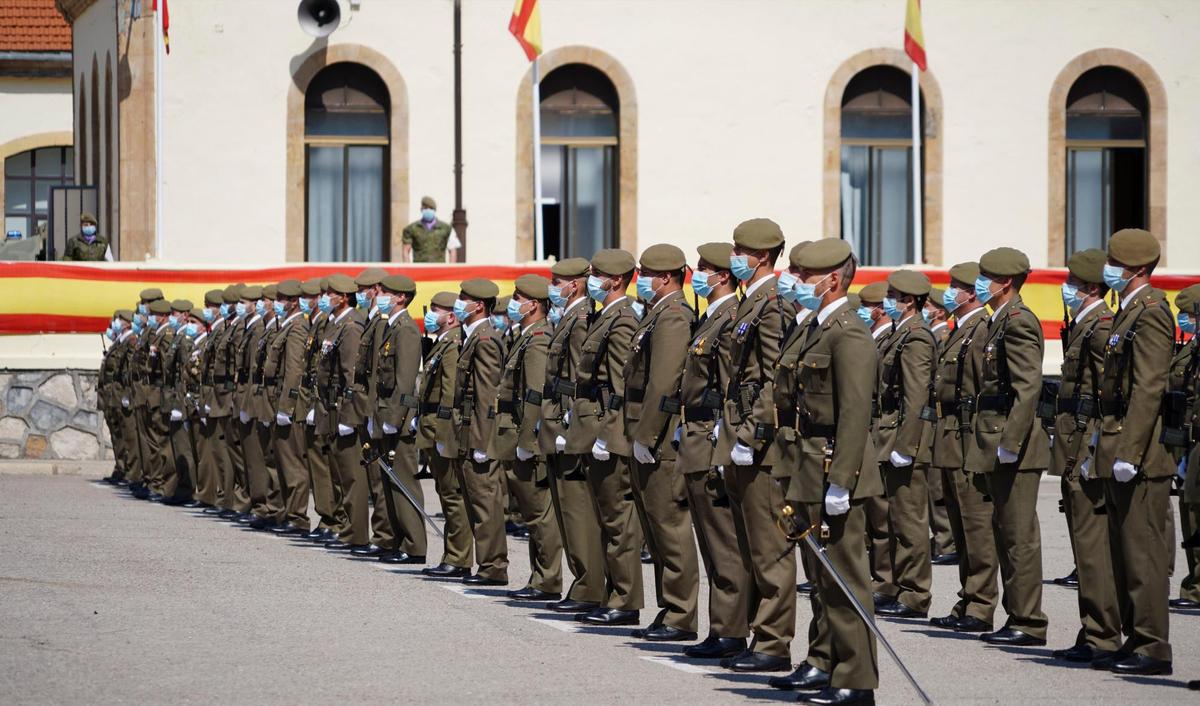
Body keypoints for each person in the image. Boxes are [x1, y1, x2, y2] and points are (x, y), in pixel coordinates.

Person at [791, 237, 881, 706]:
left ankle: (858, 680)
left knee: (846, 579)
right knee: (824, 579)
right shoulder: (816, 327)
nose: (797, 282)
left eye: (805, 276)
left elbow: (854, 414)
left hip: (833, 467)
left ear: (831, 280)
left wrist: (842, 480)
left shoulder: (849, 333)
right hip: (810, 464)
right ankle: (830, 665)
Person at [1092, 228, 1174, 675]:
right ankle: (1133, 636)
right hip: (1118, 441)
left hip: (1139, 451)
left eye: (1116, 264)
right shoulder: (1128, 311)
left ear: (1138, 269)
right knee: (1122, 552)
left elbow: (1148, 387)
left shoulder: (1152, 313)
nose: (1111, 270)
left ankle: (1154, 647)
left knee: (1142, 553)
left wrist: (1130, 450)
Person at [713, 218, 792, 673]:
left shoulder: (773, 306)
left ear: (761, 256)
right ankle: (754, 636)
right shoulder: (751, 304)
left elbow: (773, 381)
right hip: (737, 437)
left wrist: (750, 434)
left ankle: (774, 645)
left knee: (769, 552)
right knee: (747, 548)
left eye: (741, 250)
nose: (734, 258)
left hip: (759, 445)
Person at [966, 247, 1050, 647]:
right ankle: (1017, 615)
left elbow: (1027, 388)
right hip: (997, 440)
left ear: (1006, 283)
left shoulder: (1018, 323)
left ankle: (1029, 621)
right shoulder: (998, 321)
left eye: (987, 277)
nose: (980, 283)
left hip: (1014, 445)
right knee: (1004, 531)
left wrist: (1010, 443)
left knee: (1018, 536)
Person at [677, 242, 751, 660]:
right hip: (695, 434)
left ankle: (731, 629)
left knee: (724, 544)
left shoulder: (728, 319)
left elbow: (728, 386)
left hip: (710, 437)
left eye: (704, 268)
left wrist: (726, 438)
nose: (697, 274)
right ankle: (721, 626)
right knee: (710, 541)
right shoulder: (710, 317)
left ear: (723, 275)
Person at [1047, 249, 1120, 664]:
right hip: (1074, 442)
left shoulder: (1099, 328)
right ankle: (1093, 628)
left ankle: (1102, 634)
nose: (1066, 289)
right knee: (1084, 545)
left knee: (1092, 548)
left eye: (1072, 283)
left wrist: (1092, 449)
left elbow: (1106, 396)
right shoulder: (1083, 324)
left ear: (1091, 287)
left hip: (1087, 444)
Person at [624, 244, 700, 641]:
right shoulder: (658, 314)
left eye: (647, 274)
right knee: (655, 528)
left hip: (660, 439)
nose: (641, 281)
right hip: (646, 433)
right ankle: (669, 608)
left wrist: (647, 436)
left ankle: (681, 614)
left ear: (666, 277)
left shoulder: (672, 317)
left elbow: (662, 383)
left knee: (670, 528)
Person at [569, 249, 644, 626]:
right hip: (593, 426)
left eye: (596, 274)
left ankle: (625, 600)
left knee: (618, 522)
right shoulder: (606, 316)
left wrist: (609, 434)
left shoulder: (623, 319)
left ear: (615, 280)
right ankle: (610, 593)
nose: (590, 279)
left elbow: (619, 386)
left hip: (607, 431)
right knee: (604, 518)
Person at [928, 263, 999, 635]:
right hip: (951, 437)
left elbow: (979, 390)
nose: (949, 291)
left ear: (972, 293)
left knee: (975, 526)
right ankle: (968, 598)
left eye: (957, 286)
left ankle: (982, 604)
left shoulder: (980, 330)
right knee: (959, 524)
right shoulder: (961, 331)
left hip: (968, 437)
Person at [537, 258, 606, 613]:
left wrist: (569, 424)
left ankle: (588, 587)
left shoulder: (580, 321)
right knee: (567, 512)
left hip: (570, 426)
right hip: (557, 424)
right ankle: (582, 584)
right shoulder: (568, 318)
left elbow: (581, 380)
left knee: (578, 513)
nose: (553, 287)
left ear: (574, 285)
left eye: (557, 281)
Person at [489, 274, 564, 601]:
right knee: (533, 513)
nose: (514, 303)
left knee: (538, 513)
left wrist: (526, 441)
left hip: (527, 438)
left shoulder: (538, 339)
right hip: (514, 433)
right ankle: (540, 577)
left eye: (519, 298)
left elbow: (534, 394)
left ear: (534, 304)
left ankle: (547, 580)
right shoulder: (525, 336)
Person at [873, 270, 936, 620]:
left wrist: (906, 445)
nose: (887, 302)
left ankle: (915, 594)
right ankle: (897, 586)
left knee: (909, 522)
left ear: (909, 300)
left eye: (893, 296)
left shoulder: (916, 338)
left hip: (903, 439)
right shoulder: (901, 333)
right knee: (894, 520)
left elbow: (916, 396)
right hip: (889, 435)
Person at [451, 278, 510, 586]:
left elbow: (488, 396)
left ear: (478, 305)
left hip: (479, 433)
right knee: (476, 500)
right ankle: (487, 564)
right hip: (468, 431)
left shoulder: (485, 340)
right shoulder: (473, 336)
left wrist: (484, 441)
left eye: (464, 298)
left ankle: (493, 567)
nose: (458, 303)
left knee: (485, 500)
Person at [371, 273, 429, 565]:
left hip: (399, 420)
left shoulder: (405, 329)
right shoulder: (389, 327)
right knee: (388, 482)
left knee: (403, 482)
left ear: (401, 297)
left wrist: (395, 417)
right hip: (384, 414)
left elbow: (405, 381)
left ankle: (415, 546)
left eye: (385, 292)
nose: (379, 294)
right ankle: (395, 540)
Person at [419, 292, 473, 579]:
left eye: (436, 310)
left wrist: (444, 432)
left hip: (442, 428)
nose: (431, 315)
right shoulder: (441, 344)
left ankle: (458, 557)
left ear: (450, 317)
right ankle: (452, 555)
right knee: (445, 492)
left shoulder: (452, 345)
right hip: (432, 425)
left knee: (452, 495)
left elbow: (451, 393)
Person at [316, 274, 369, 551]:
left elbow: (351, 374)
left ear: (344, 297)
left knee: (351, 475)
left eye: (331, 293)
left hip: (344, 407)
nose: (326, 297)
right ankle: (348, 528)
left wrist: (350, 415)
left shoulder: (350, 326)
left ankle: (356, 533)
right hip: (332, 405)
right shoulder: (336, 323)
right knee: (340, 472)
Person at [1171, 284, 1200, 610]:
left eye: (1189, 314)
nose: (1184, 319)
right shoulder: (1189, 347)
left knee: (1195, 511)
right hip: (1188, 438)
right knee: (1189, 511)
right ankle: (1194, 582)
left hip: (1196, 438)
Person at [402, 196, 459, 263]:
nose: (428, 210)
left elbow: (452, 250)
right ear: (421, 209)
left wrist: (451, 269)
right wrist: (409, 269)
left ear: (434, 210)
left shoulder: (447, 228)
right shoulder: (411, 229)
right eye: (425, 208)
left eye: (431, 208)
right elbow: (406, 250)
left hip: (439, 269)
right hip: (420, 269)